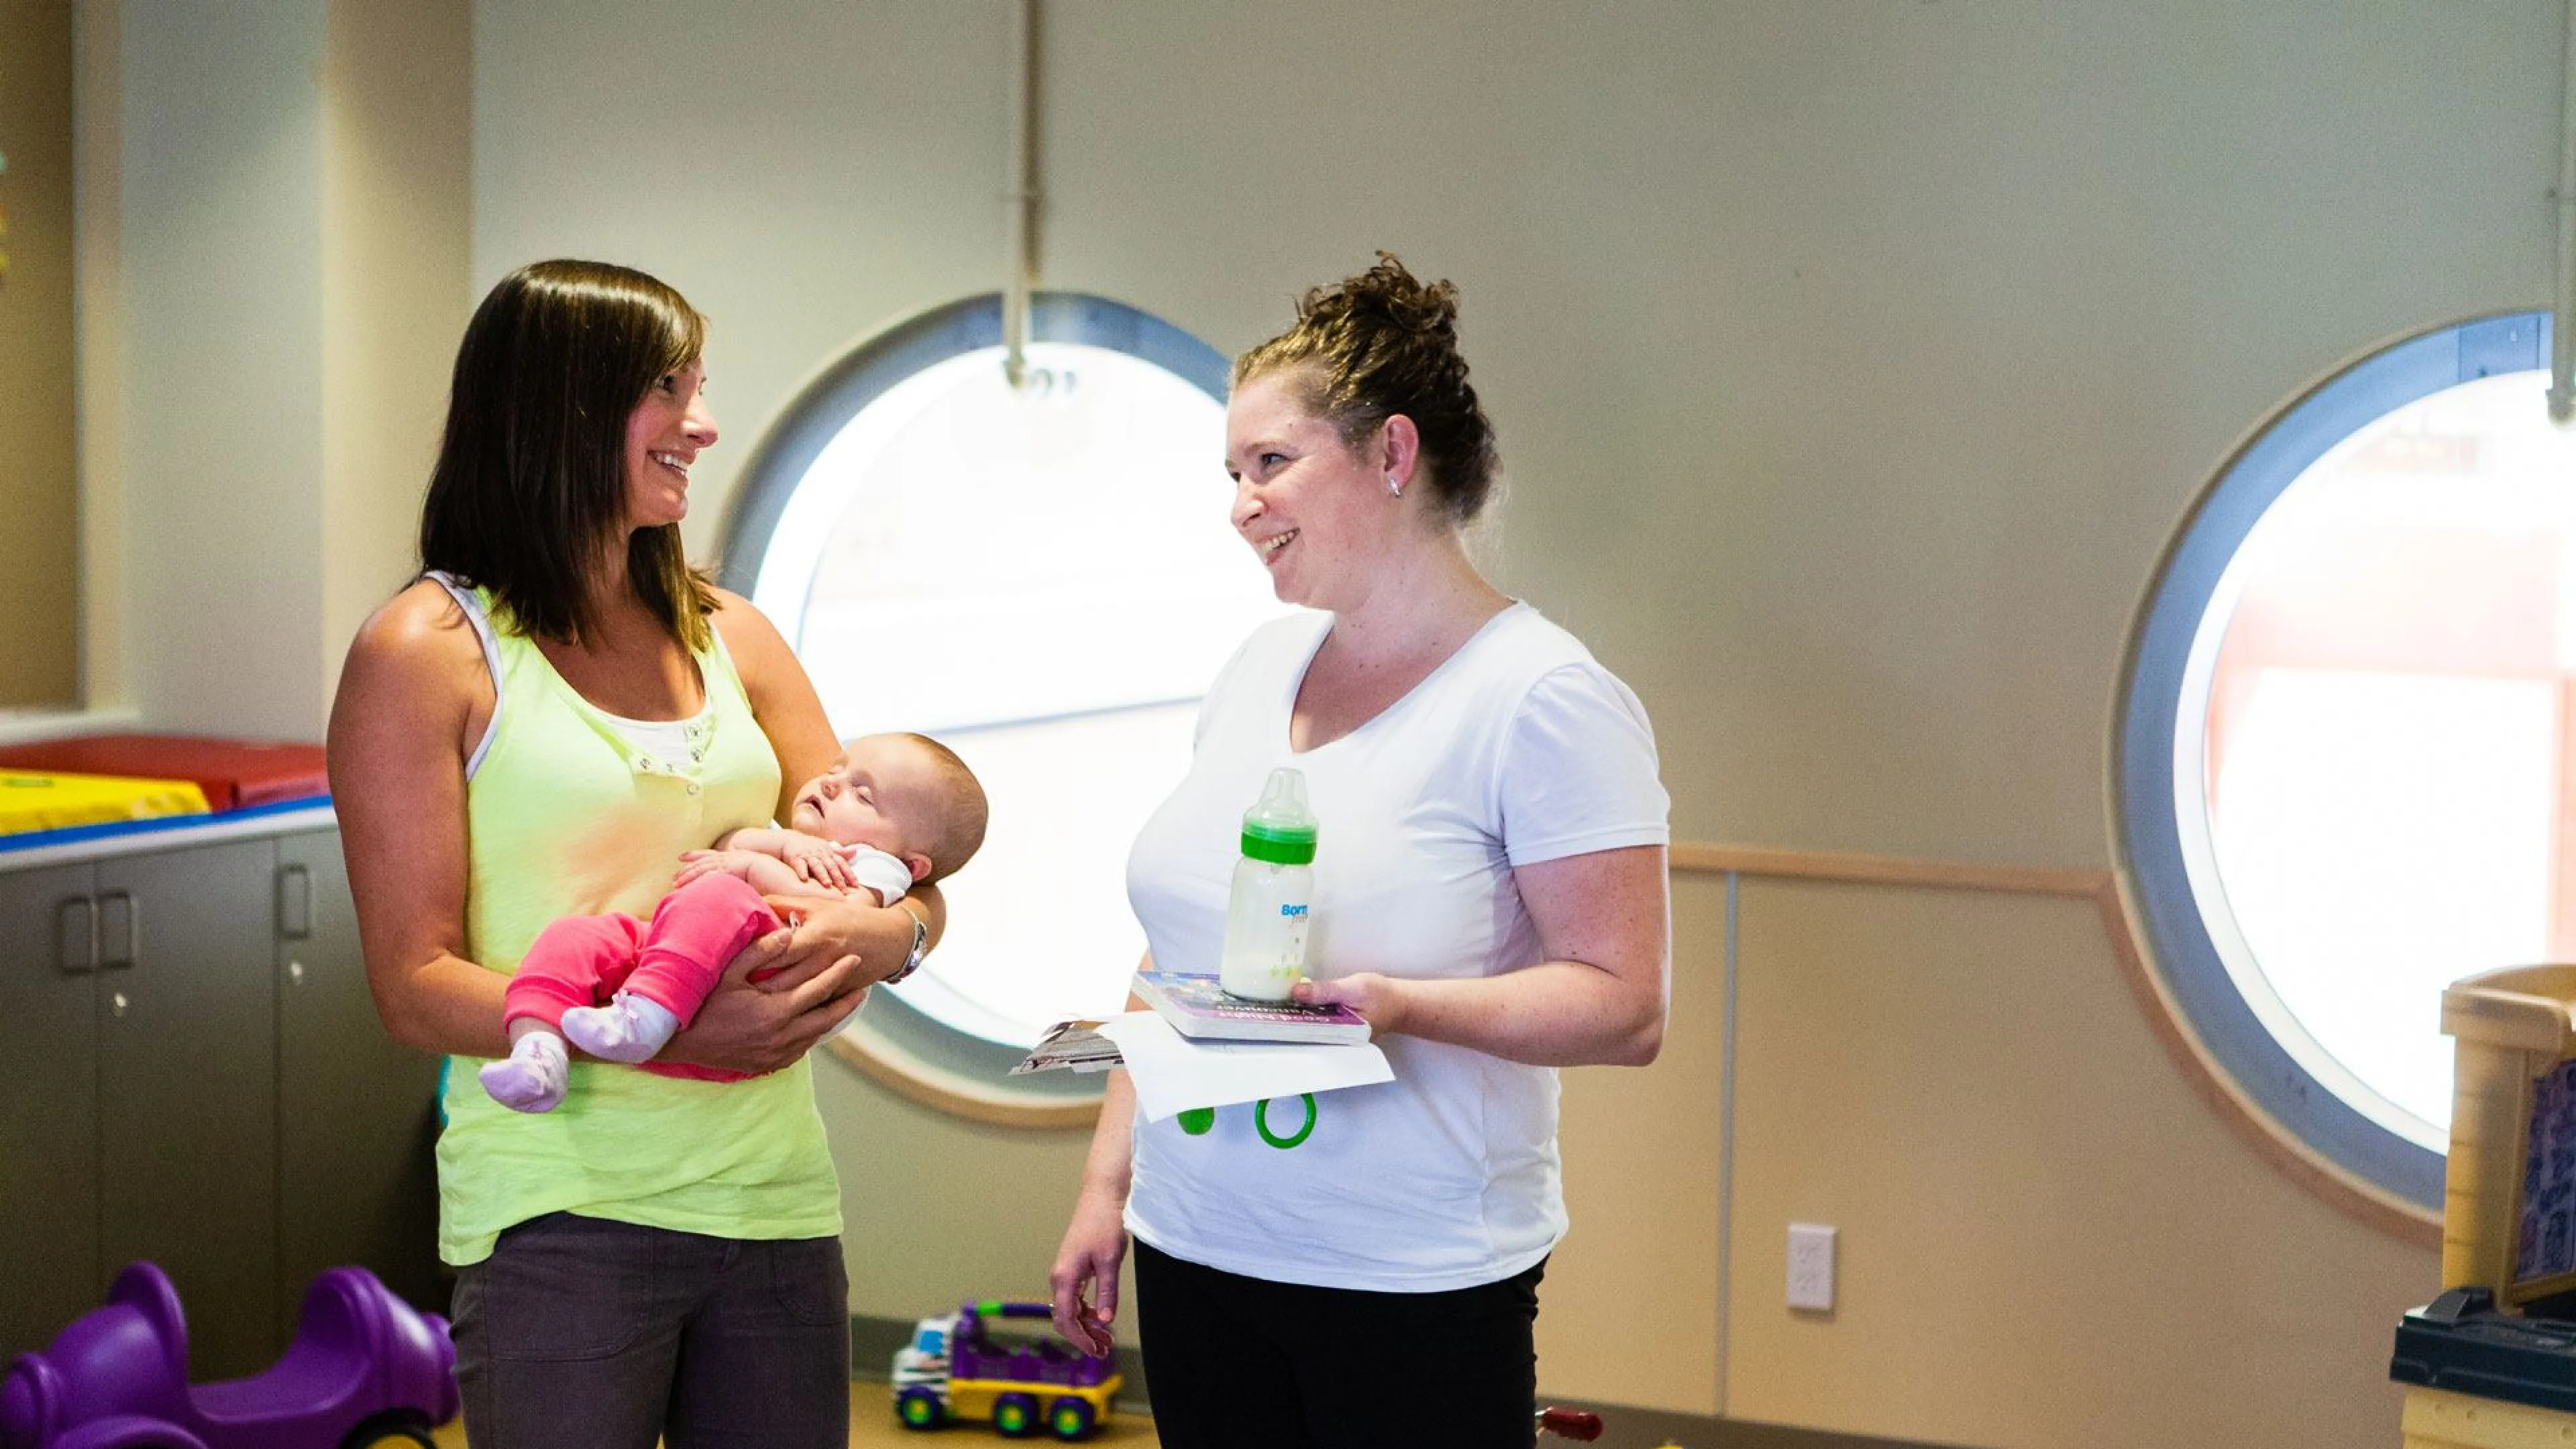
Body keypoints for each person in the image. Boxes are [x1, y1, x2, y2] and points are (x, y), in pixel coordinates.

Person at [1047, 253, 1671, 1448]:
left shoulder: (1541, 697)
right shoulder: (1253, 674)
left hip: (1409, 1276)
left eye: (1271, 463)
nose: (1241, 503)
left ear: (1392, 455)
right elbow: (1178, 949)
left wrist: (1397, 1004)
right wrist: (1106, 1185)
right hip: (1199, 1245)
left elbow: (1625, 1007)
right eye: (1233, 473)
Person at [327, 258, 941, 1448]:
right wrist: (671, 1031)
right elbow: (413, 984)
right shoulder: (430, 651)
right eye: (671, 391)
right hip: (565, 1216)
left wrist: (892, 933)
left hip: (773, 1204)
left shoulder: (733, 634)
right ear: (563, 406)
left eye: (700, 389)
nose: (703, 426)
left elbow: (910, 870)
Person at [479, 732, 989, 1112]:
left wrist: (757, 869)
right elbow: (729, 846)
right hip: (681, 952)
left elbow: (838, 920)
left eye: (863, 794)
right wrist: (783, 844)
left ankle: (645, 1021)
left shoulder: (875, 865)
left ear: (913, 862)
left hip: (765, 973)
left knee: (720, 892)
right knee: (578, 936)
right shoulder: (800, 840)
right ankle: (538, 1049)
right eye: (839, 766)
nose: (832, 781)